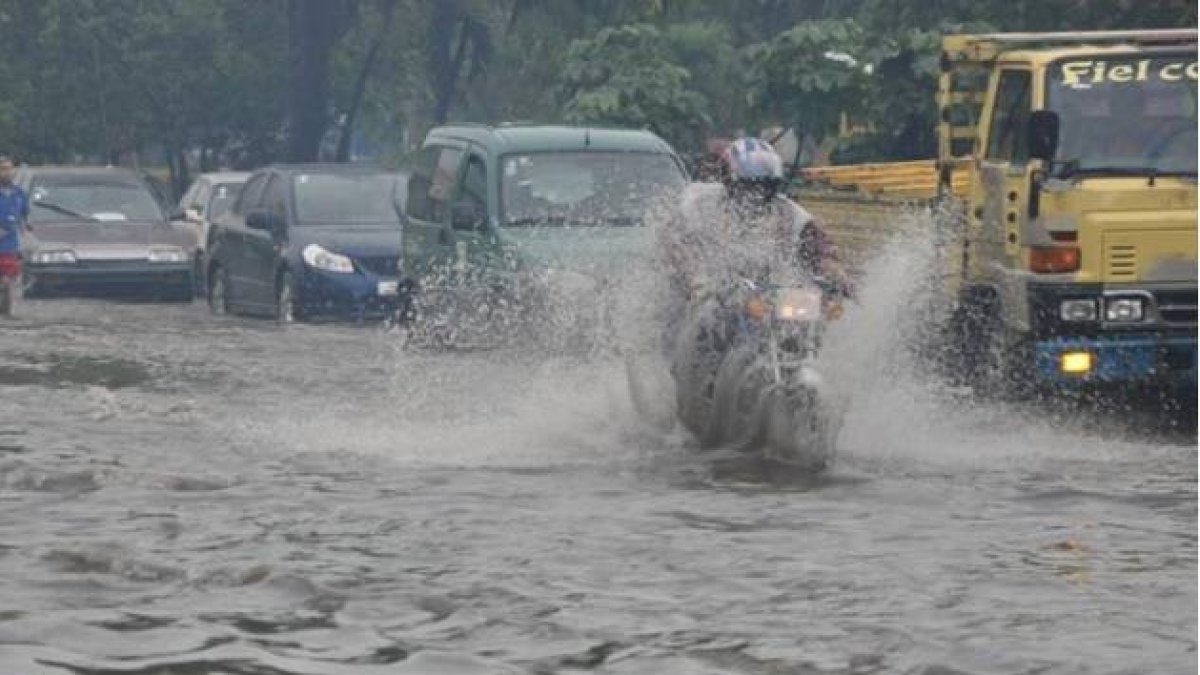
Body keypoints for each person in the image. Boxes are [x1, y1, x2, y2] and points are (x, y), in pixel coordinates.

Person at [658, 136, 851, 329]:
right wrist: (697, 278)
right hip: (706, 293)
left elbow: (822, 252)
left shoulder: (791, 215)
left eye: (766, 185)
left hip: (768, 296)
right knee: (704, 320)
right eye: (748, 185)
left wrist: (837, 277)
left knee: (815, 320)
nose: (757, 193)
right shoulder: (699, 203)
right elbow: (677, 242)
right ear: (729, 180)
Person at [0, 156, 30, 317]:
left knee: (9, 282)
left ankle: (7, 313)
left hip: (10, 246)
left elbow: (24, 219)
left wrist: (27, 240)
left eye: (9, 168)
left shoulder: (19, 194)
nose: (7, 172)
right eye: (3, 169)